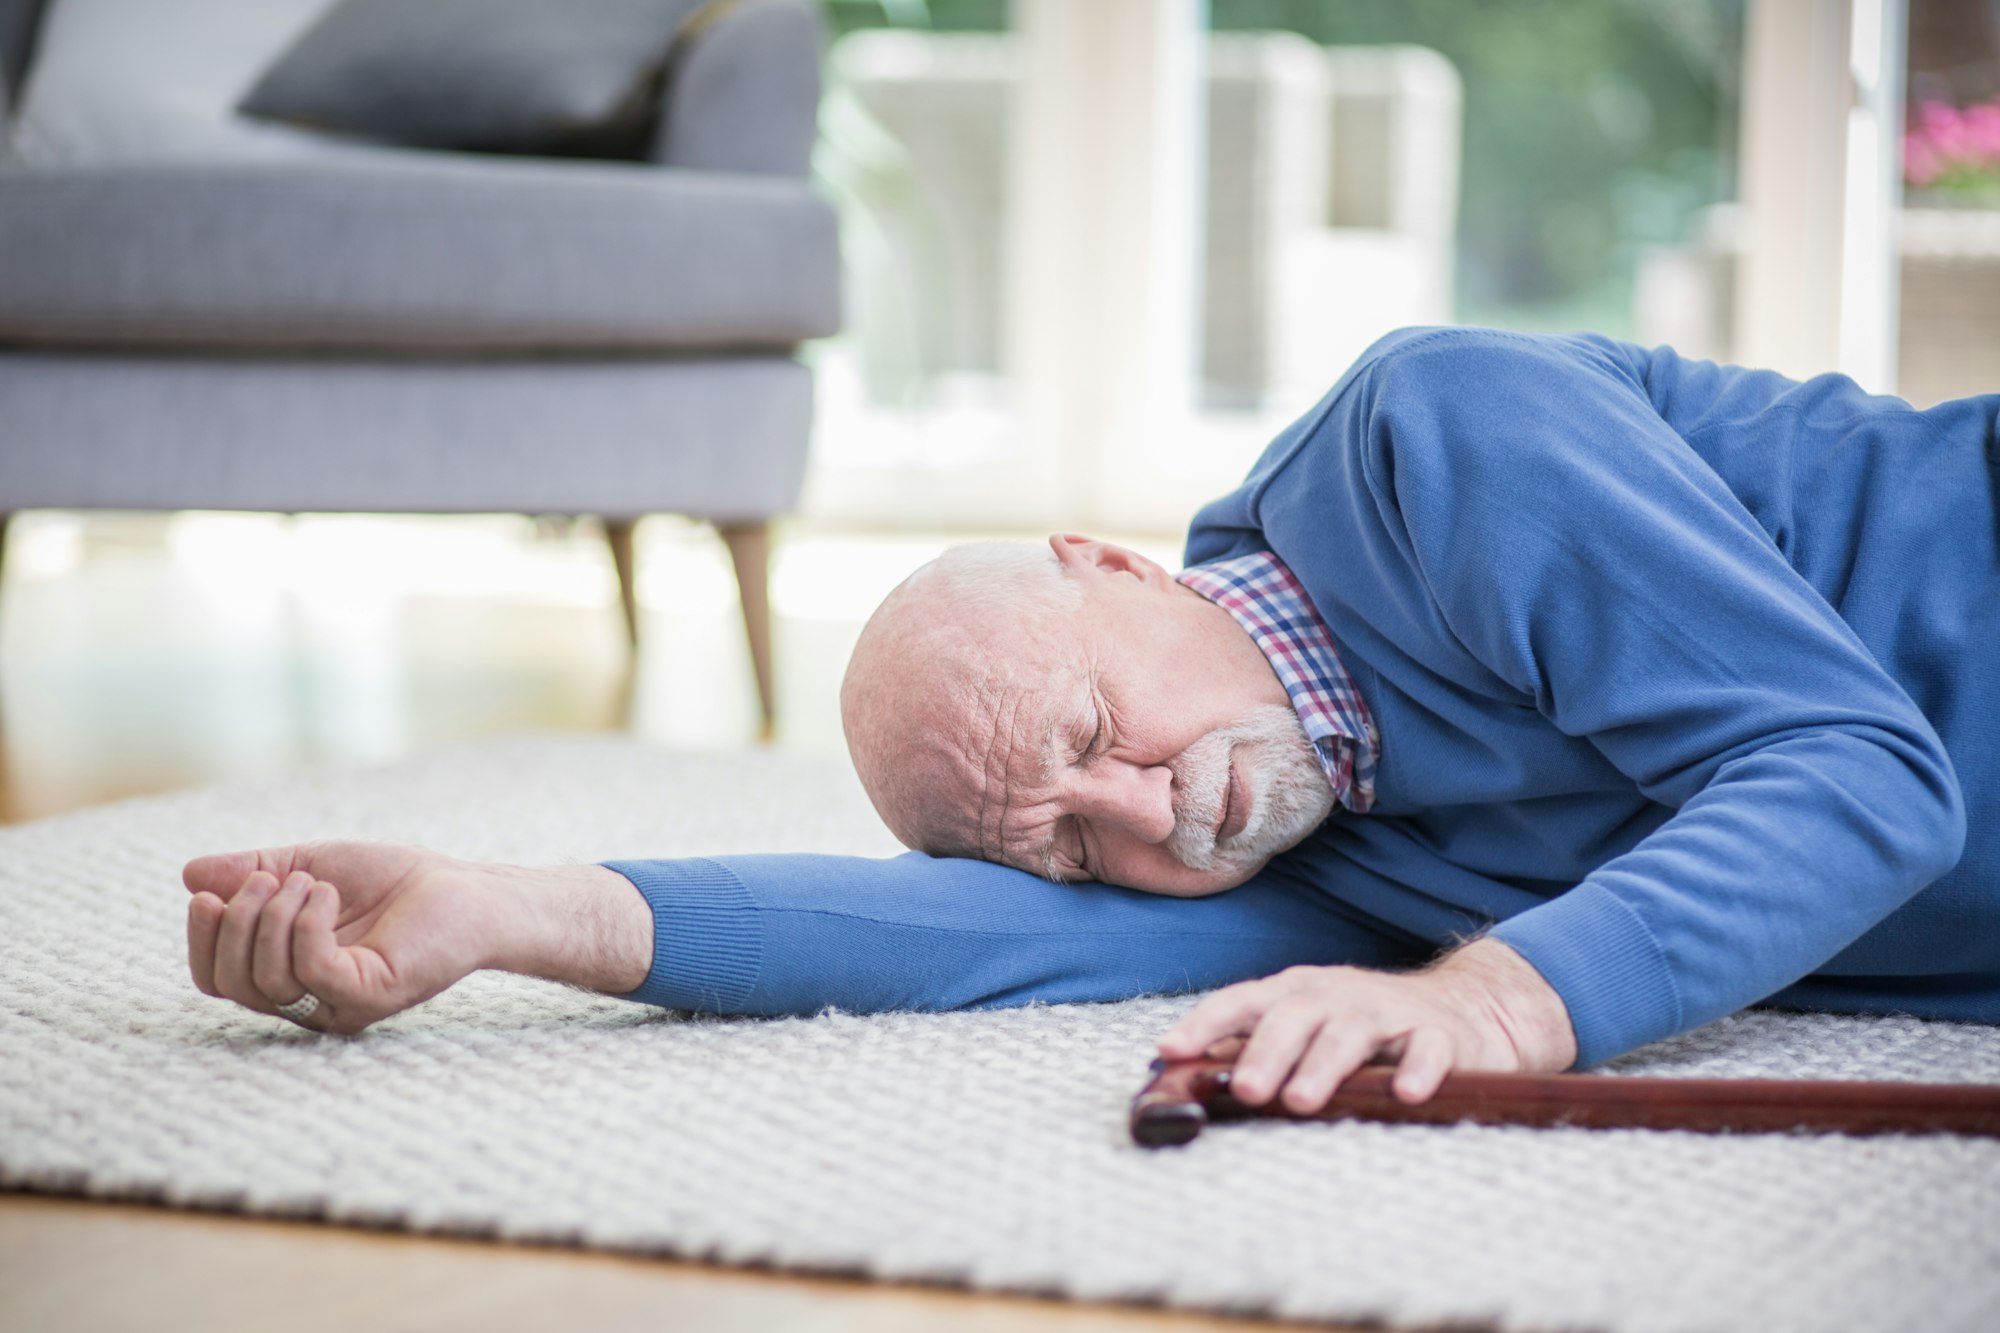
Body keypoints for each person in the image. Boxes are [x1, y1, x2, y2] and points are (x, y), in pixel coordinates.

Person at [182, 326, 1999, 1112]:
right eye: (1063, 834)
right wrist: (496, 915)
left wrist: (1494, 1002)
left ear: (1114, 561)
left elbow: (1860, 779)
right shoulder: (1321, 853)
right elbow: (946, 941)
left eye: (1091, 727)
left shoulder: (1441, 439)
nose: (1142, 822)